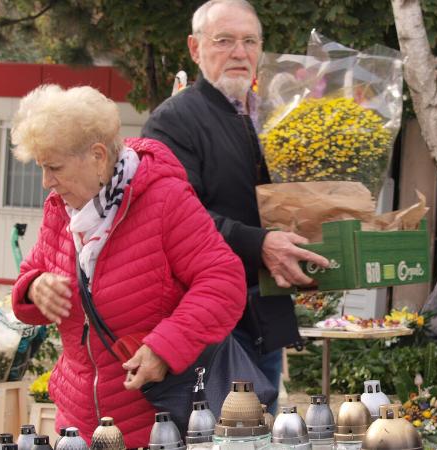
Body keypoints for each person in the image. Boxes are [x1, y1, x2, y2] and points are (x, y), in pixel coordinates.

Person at [10, 85, 246, 447]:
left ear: (98, 155)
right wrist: (33, 286)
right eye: (42, 168)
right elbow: (32, 275)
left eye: (54, 167)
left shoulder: (164, 199)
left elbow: (223, 281)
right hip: (79, 424)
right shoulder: (62, 209)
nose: (47, 182)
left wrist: (165, 348)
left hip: (155, 423)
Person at [141, 0, 329, 413]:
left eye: (249, 41)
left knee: (264, 429)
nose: (239, 53)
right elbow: (171, 220)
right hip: (211, 323)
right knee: (227, 434)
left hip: (267, 310)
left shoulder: (272, 120)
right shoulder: (173, 121)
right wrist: (259, 242)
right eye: (224, 41)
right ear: (194, 48)